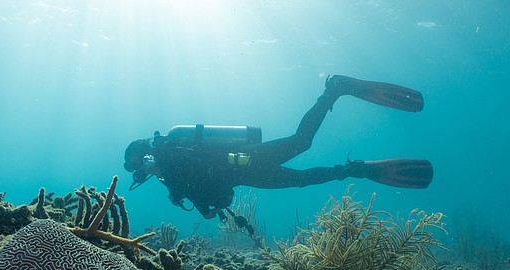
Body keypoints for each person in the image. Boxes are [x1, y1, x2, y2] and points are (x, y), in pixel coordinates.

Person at [123, 75, 433, 224]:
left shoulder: (172, 158)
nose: (145, 170)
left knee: (301, 141)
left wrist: (206, 208)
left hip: (247, 161)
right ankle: (356, 169)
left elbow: (209, 187)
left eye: (141, 163)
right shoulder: (170, 165)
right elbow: (210, 188)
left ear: (146, 154)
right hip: (248, 172)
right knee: (302, 179)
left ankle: (333, 90)